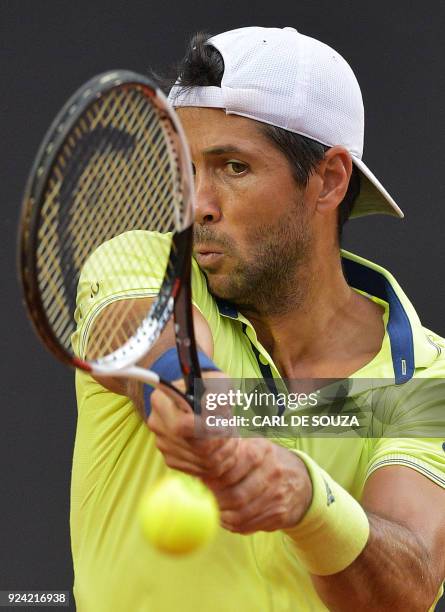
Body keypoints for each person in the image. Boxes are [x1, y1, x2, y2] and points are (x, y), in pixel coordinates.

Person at [71, 26, 445, 611]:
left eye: (234, 167)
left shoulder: (425, 376)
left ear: (329, 180)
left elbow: (408, 586)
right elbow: (150, 337)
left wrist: (305, 499)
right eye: (188, 168)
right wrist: (199, 400)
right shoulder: (140, 261)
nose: (197, 204)